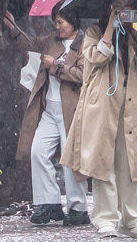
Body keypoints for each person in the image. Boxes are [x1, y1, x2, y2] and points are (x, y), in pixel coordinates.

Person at [62, 0, 137, 237]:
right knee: (104, 162)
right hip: (102, 104)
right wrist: (110, 28)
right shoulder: (93, 31)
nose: (124, 11)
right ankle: (106, 218)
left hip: (130, 105)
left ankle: (131, 217)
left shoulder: (133, 35)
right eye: (118, 7)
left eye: (128, 7)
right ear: (109, 8)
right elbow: (95, 58)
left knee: (130, 161)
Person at [13, 13, 89, 227]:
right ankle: (49, 203)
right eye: (55, 22)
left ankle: (78, 208)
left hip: (71, 110)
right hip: (49, 108)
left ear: (73, 21)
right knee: (38, 152)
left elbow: (82, 75)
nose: (57, 27)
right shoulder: (50, 41)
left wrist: (55, 65)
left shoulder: (84, 43)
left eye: (61, 22)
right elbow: (28, 42)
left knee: (70, 160)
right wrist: (10, 25)